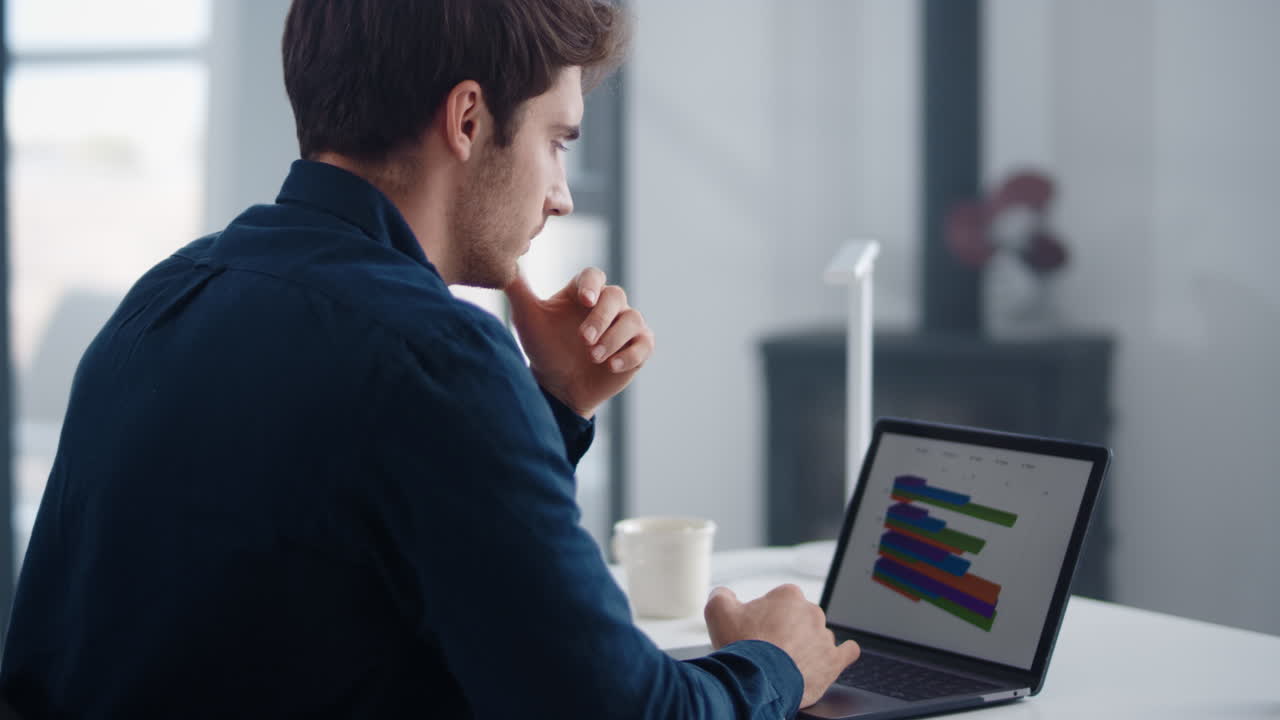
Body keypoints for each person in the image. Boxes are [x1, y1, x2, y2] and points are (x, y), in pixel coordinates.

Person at [0, 1, 859, 717]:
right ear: (469, 119)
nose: (561, 195)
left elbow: (410, 574)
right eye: (558, 142)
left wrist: (552, 402)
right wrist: (772, 664)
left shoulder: (159, 300)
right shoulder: (438, 359)